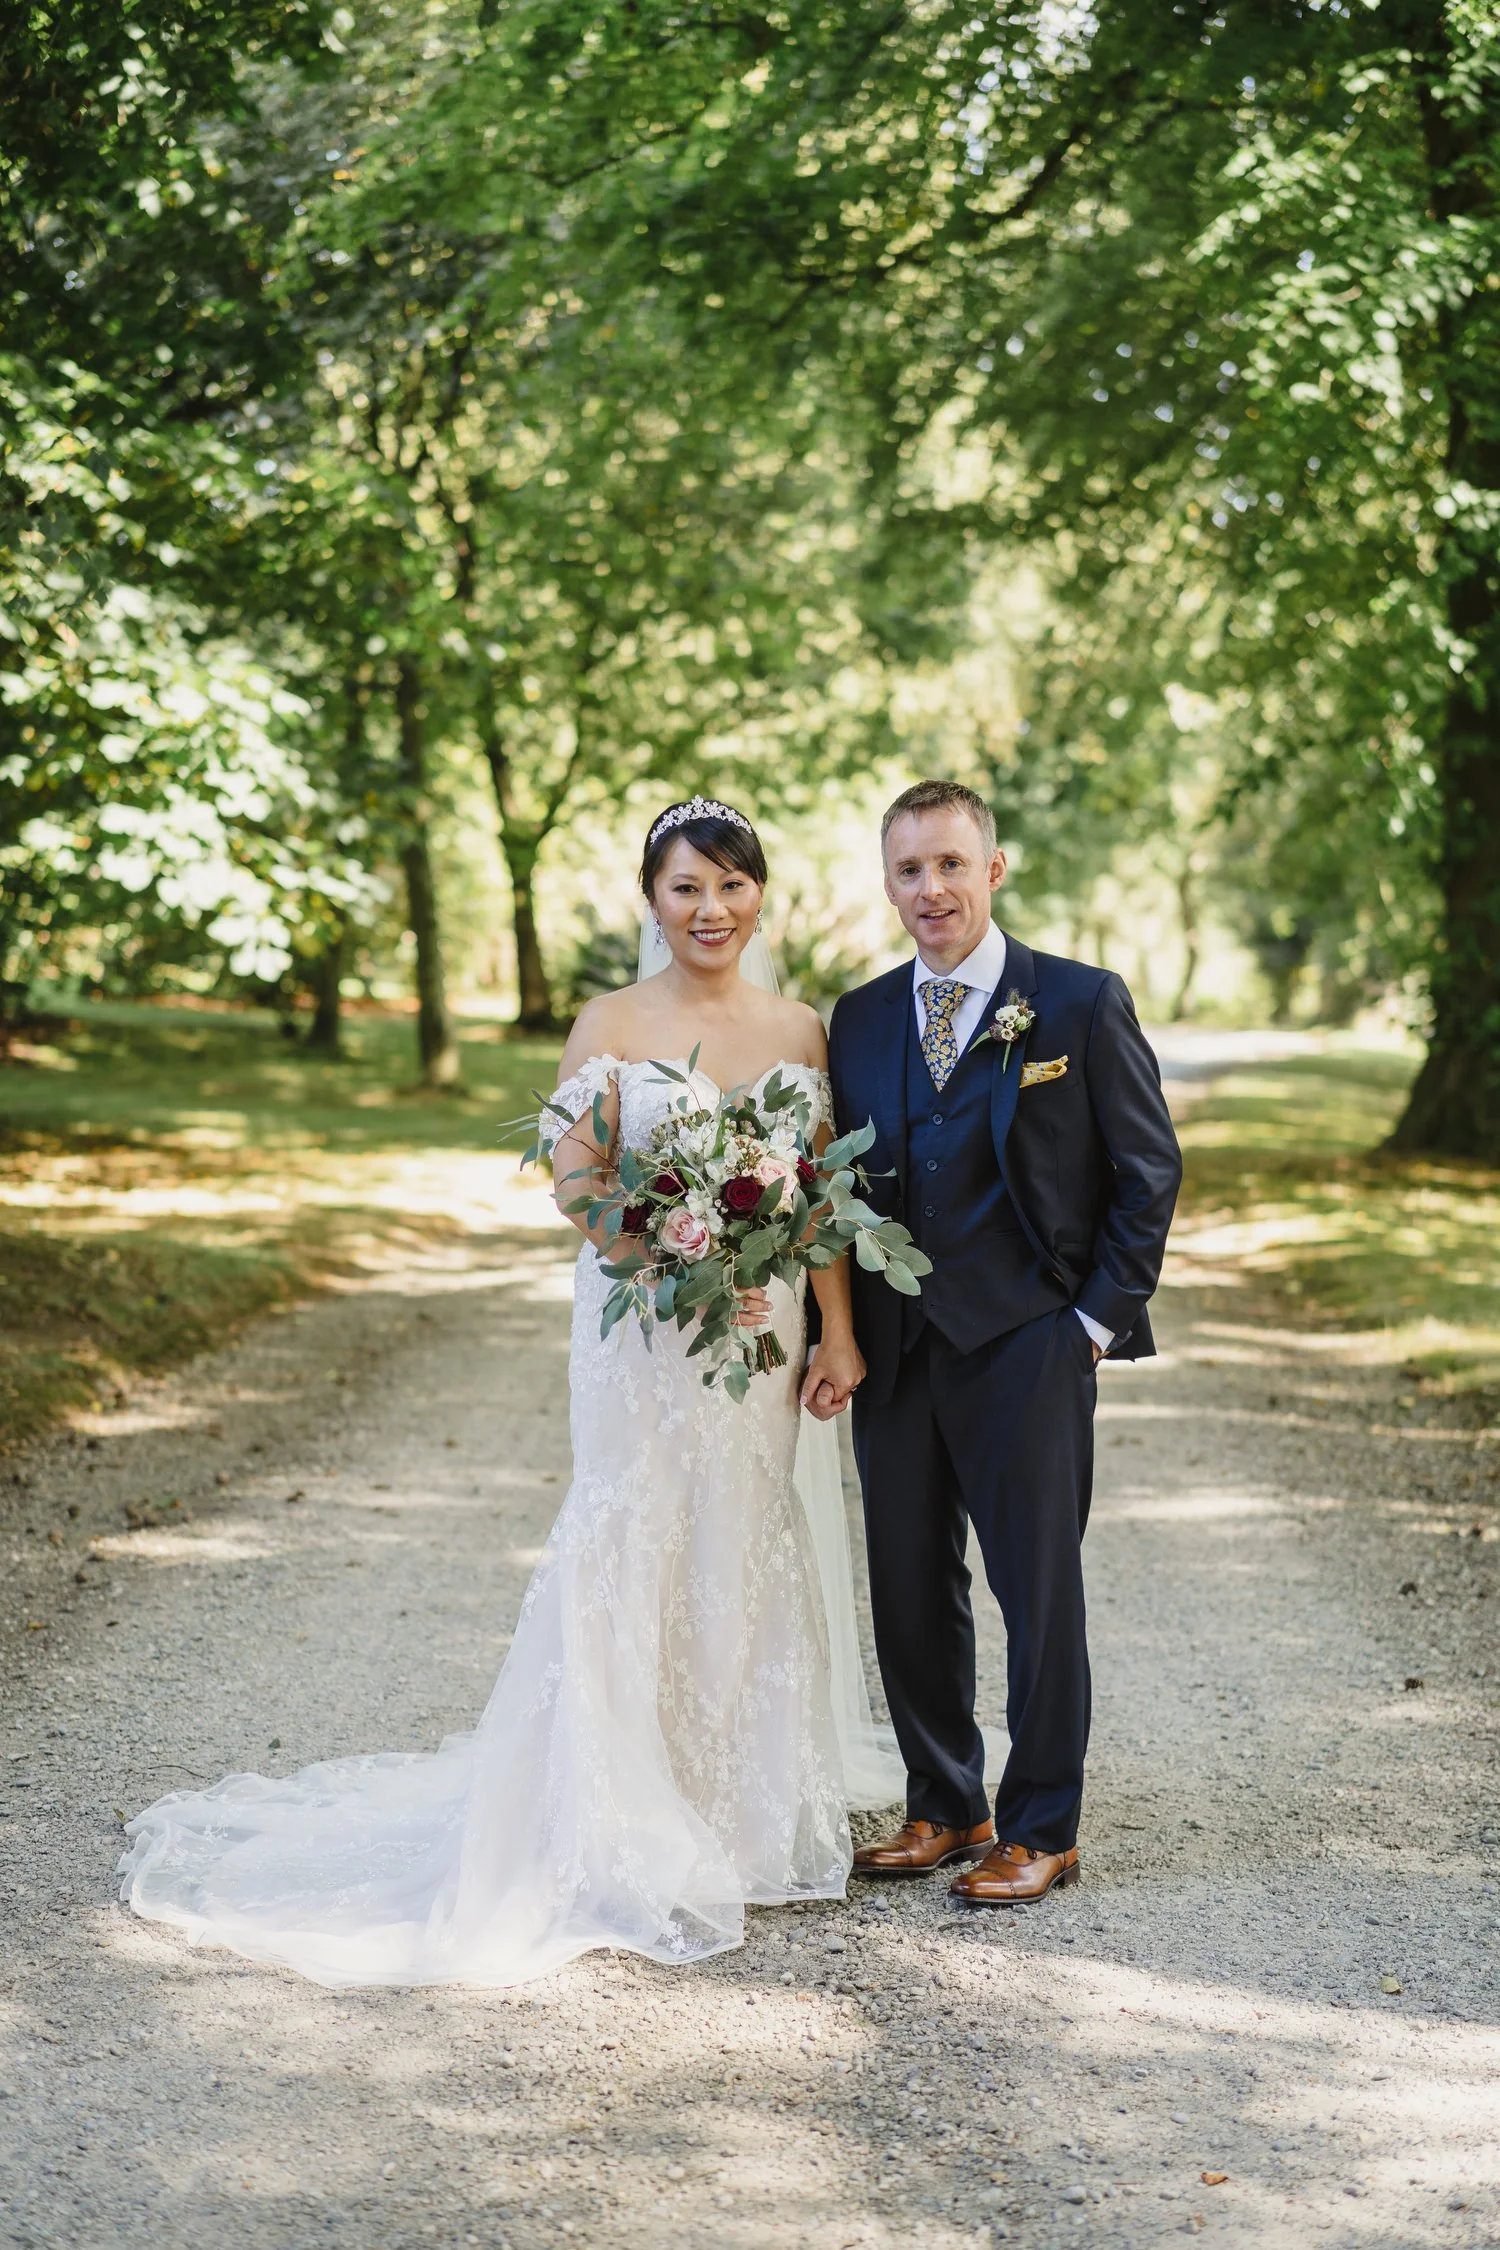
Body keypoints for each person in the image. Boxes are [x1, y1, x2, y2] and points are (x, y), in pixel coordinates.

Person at [118, 798, 900, 1989]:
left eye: (732, 886)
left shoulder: (800, 1030)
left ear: (759, 897)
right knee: (632, 1523)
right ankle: (611, 1813)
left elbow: (822, 1208)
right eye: (687, 888)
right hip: (644, 1324)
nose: (711, 910)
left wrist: (835, 1331)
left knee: (743, 1531)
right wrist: (677, 1257)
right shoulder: (610, 1021)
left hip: (760, 1330)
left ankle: (736, 1813)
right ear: (653, 900)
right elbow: (577, 1188)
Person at [810, 779, 1181, 1904]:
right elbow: (837, 1179)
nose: (933, 889)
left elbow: (1146, 1172)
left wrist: (1090, 1325)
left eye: (952, 864)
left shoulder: (1073, 1003)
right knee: (909, 1586)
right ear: (889, 885)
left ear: (994, 869)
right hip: (896, 1347)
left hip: (1030, 1341)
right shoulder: (861, 1017)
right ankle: (945, 1802)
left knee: (1037, 1590)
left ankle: (1043, 1825)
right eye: (911, 870)